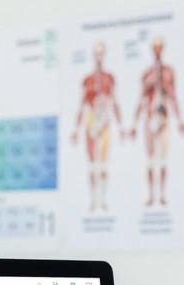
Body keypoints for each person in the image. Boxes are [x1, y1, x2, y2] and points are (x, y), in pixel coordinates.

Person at [130, 35, 184, 207]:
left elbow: (173, 97)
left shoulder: (168, 72)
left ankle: (161, 194)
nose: (157, 50)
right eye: (155, 47)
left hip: (164, 118)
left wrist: (179, 120)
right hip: (149, 118)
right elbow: (141, 98)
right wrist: (134, 123)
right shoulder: (147, 73)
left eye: (160, 47)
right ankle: (150, 195)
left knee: (162, 158)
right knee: (150, 159)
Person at [71, 41, 124, 213]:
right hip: (92, 120)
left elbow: (115, 102)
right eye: (96, 53)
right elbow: (81, 105)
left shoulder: (109, 78)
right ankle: (93, 199)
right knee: (92, 164)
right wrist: (76, 129)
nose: (99, 57)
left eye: (101, 53)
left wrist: (121, 126)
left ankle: (103, 199)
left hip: (105, 121)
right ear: (93, 55)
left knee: (103, 164)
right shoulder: (87, 80)